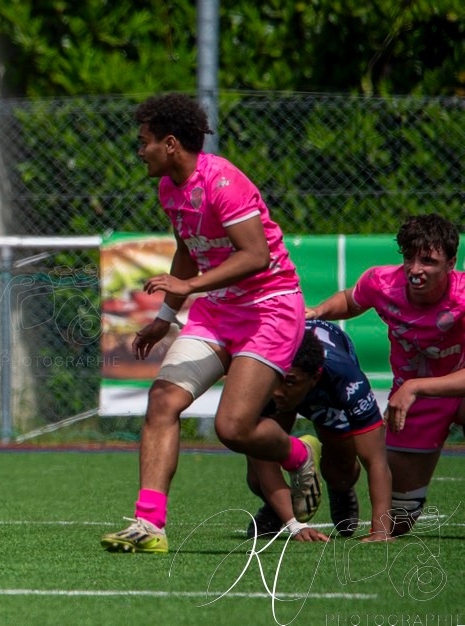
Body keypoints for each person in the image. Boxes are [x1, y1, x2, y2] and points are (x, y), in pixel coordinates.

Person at [100, 93, 321, 554]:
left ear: (172, 143)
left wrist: (192, 286)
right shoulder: (169, 188)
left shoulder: (223, 182)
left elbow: (256, 256)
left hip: (270, 310)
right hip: (217, 310)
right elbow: (186, 250)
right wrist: (164, 318)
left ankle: (300, 453)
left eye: (144, 142)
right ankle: (149, 525)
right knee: (162, 400)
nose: (139, 150)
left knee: (233, 429)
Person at [307, 213, 465, 537]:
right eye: (409, 258)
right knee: (399, 521)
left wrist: (415, 386)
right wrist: (318, 311)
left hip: (451, 390)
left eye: (428, 261)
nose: (415, 269)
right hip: (413, 404)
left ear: (451, 263)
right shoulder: (382, 283)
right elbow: (351, 301)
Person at [245, 320, 393, 543]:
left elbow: (376, 460)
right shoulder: (266, 376)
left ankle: (339, 489)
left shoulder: (345, 378)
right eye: (277, 380)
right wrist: (294, 524)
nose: (277, 391)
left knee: (341, 473)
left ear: (314, 377)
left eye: (289, 382)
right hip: (293, 376)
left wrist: (381, 530)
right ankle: (280, 508)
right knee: (256, 478)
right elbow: (261, 459)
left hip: (326, 392)